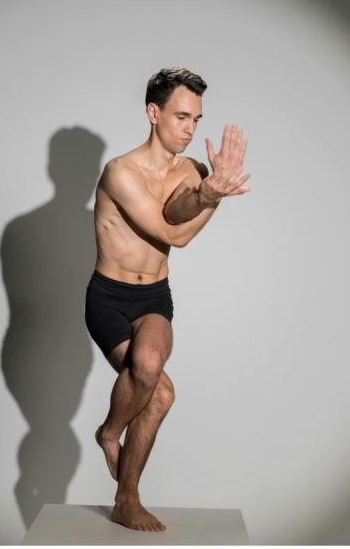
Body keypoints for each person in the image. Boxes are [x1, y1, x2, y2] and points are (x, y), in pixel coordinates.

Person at [85, 67, 250, 532]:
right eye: (181, 117)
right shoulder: (121, 171)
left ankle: (126, 498)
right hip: (109, 298)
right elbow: (169, 233)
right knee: (156, 386)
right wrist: (212, 198)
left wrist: (204, 190)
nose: (190, 129)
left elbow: (179, 207)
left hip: (154, 295)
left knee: (157, 383)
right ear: (153, 113)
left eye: (197, 120)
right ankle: (111, 432)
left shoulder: (190, 170)